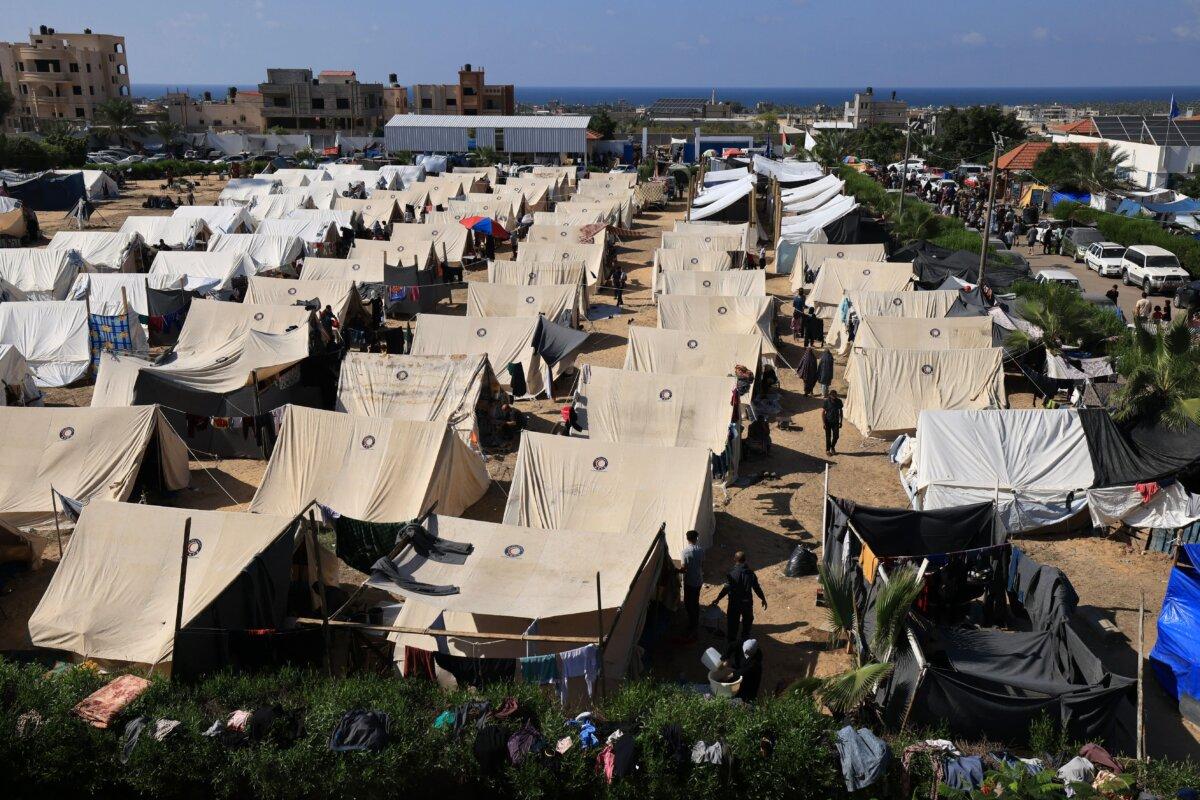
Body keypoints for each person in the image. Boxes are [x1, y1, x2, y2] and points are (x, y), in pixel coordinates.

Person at [711, 551, 766, 658]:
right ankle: (744, 650)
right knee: (746, 628)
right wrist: (763, 598)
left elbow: (726, 588)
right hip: (747, 604)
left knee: (732, 628)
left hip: (734, 605)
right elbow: (757, 588)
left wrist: (718, 598)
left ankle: (730, 652)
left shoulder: (732, 573)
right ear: (745, 560)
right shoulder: (751, 574)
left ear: (735, 560)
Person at [679, 530, 705, 641]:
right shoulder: (701, 550)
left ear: (687, 538)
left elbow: (684, 568)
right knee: (695, 601)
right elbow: (702, 564)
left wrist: (677, 571)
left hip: (689, 581)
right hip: (698, 580)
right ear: (696, 538)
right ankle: (695, 621)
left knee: (688, 603)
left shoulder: (685, 551)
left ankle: (692, 623)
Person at [822, 389, 844, 455]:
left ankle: (832, 447)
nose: (834, 397)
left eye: (835, 396)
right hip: (828, 421)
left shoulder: (839, 401)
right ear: (830, 396)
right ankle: (828, 450)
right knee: (828, 436)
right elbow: (823, 413)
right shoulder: (826, 401)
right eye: (833, 396)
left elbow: (841, 411)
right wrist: (823, 423)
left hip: (836, 421)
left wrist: (841, 421)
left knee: (836, 436)